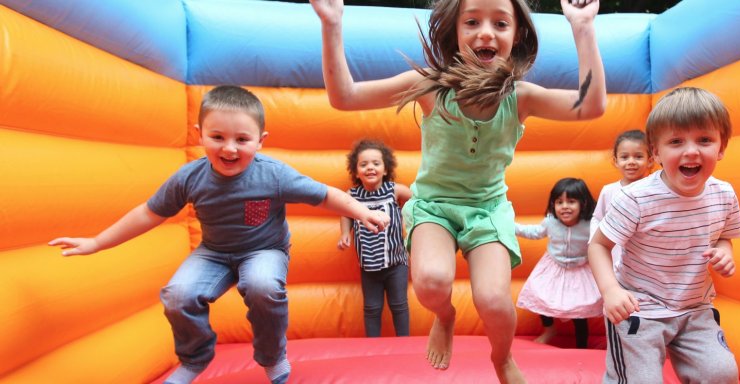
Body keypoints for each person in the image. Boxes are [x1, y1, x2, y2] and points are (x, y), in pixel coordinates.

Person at [310, 0, 605, 381]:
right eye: (473, 22)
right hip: (435, 205)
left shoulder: (520, 96)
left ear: (516, 36)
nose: (486, 31)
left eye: (500, 23)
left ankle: (501, 357)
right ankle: (445, 316)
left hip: (487, 208)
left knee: (495, 301)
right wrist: (332, 23)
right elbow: (344, 97)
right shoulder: (430, 87)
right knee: (431, 283)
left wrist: (582, 27)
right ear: (455, 33)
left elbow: (592, 105)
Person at [48, 86, 389, 384]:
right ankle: (196, 357)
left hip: (264, 249)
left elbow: (327, 195)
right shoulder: (190, 178)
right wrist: (96, 242)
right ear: (200, 134)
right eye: (217, 137)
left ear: (260, 140)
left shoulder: (273, 175)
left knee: (262, 286)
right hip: (213, 252)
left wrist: (363, 213)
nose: (229, 149)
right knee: (177, 295)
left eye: (242, 139)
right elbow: (148, 213)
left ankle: (271, 356)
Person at [588, 87, 740, 384]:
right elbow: (598, 245)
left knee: (721, 373)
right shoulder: (636, 198)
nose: (691, 151)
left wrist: (725, 252)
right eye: (675, 142)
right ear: (656, 152)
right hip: (639, 308)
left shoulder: (723, 194)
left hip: (694, 307)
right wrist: (610, 291)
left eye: (705, 140)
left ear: (721, 147)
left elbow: (725, 235)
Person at [337, 139, 412, 337]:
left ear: (385, 169)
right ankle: (373, 344)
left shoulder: (394, 190)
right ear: (356, 171)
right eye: (364, 164)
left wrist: (409, 219)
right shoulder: (352, 195)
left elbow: (416, 200)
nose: (370, 167)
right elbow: (345, 214)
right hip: (368, 264)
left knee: (399, 304)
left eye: (376, 163)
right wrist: (345, 233)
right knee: (371, 308)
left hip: (396, 262)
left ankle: (404, 342)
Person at [514, 177, 600, 349]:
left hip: (580, 268)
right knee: (540, 296)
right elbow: (535, 232)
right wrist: (512, 227)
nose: (565, 206)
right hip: (554, 266)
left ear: (583, 203)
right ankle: (550, 329)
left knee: (579, 308)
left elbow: (603, 241)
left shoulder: (590, 224)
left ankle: (581, 344)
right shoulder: (550, 221)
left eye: (571, 201)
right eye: (559, 202)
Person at [589, 129, 652, 269]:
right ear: (616, 161)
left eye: (638, 157)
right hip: (614, 254)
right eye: (625, 157)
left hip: (644, 260)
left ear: (650, 160)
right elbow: (597, 218)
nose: (631, 162)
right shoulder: (608, 191)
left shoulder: (654, 191)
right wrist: (595, 243)